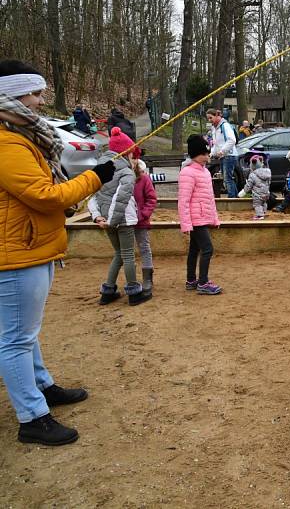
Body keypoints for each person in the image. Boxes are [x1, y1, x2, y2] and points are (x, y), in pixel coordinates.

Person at [0, 59, 115, 445]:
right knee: (16, 338)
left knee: (26, 333)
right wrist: (94, 177)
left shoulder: (23, 136)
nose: (40, 100)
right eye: (34, 93)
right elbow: (44, 196)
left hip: (33, 247)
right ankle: (32, 417)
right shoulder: (6, 141)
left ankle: (43, 386)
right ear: (12, 96)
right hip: (17, 253)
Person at [88, 128, 151, 306]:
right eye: (134, 156)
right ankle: (133, 292)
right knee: (128, 254)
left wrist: (97, 216)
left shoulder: (100, 167)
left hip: (107, 220)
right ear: (128, 153)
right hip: (121, 220)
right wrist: (112, 221)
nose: (135, 160)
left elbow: (92, 196)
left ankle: (108, 290)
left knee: (119, 254)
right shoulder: (126, 173)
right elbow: (120, 197)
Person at [179, 134, 222, 295]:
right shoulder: (188, 173)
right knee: (207, 249)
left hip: (203, 217)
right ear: (197, 155)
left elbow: (209, 198)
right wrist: (186, 223)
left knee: (194, 249)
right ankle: (203, 283)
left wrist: (214, 218)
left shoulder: (204, 172)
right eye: (204, 153)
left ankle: (191, 280)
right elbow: (183, 201)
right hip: (195, 219)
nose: (207, 156)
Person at [133, 156, 157, 296]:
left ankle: (147, 277)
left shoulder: (144, 178)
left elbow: (151, 198)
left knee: (144, 247)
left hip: (140, 221)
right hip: (124, 221)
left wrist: (143, 214)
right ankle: (132, 279)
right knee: (126, 250)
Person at [206, 108, 239, 198]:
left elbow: (232, 140)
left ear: (217, 116)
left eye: (210, 118)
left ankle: (232, 198)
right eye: (208, 118)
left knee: (227, 179)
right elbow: (215, 143)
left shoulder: (225, 126)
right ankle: (235, 197)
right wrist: (212, 153)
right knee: (228, 178)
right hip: (224, 156)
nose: (209, 120)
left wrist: (222, 151)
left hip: (229, 155)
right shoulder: (214, 128)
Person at [238, 154, 271, 220]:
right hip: (266, 192)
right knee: (264, 202)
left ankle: (260, 215)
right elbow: (269, 182)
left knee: (257, 204)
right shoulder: (267, 173)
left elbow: (249, 185)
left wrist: (243, 192)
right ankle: (263, 212)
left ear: (252, 165)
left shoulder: (252, 175)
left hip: (257, 194)